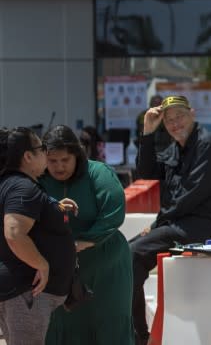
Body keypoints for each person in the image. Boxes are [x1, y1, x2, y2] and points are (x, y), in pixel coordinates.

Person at [130, 95, 211, 345]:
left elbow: (190, 195)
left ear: (193, 113)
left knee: (132, 255)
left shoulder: (207, 144)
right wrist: (147, 132)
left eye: (180, 116)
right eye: (169, 120)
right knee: (122, 254)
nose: (175, 123)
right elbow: (146, 175)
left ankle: (138, 337)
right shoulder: (176, 147)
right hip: (180, 224)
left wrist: (156, 226)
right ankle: (136, 333)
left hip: (204, 227)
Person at [39, 125, 134, 345]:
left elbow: (113, 212)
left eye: (65, 160)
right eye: (52, 161)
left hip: (106, 267)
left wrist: (82, 242)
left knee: (109, 325)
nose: (59, 167)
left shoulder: (98, 172)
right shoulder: (38, 179)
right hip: (59, 271)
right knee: (61, 327)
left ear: (77, 155)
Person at [0, 127, 77, 345]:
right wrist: (42, 264)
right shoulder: (22, 187)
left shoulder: (12, 185)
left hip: (21, 291)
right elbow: (14, 232)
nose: (46, 153)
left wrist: (54, 208)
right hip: (27, 291)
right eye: (41, 148)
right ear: (27, 156)